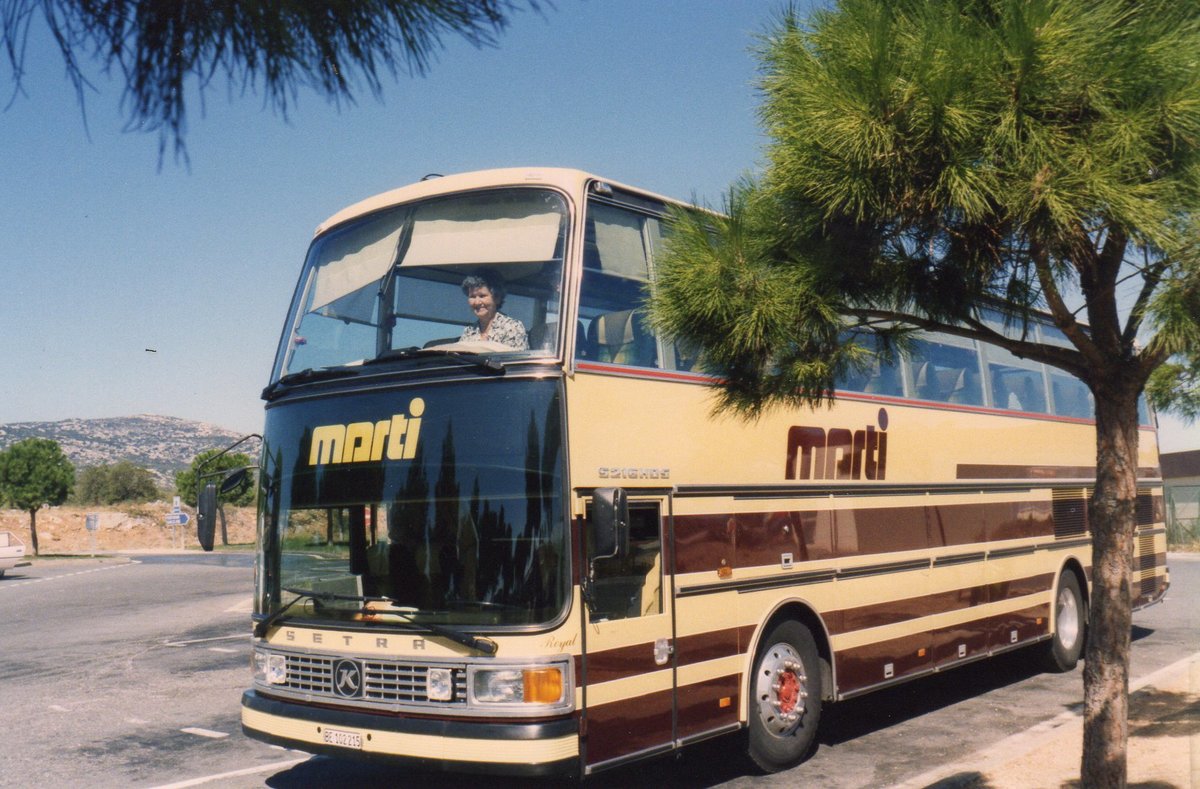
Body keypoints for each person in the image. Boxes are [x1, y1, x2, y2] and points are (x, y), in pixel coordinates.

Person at [459, 270, 528, 350]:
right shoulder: (468, 331)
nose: (477, 302)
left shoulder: (512, 327)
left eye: (482, 296)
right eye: (472, 297)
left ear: (497, 298)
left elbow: (514, 361)